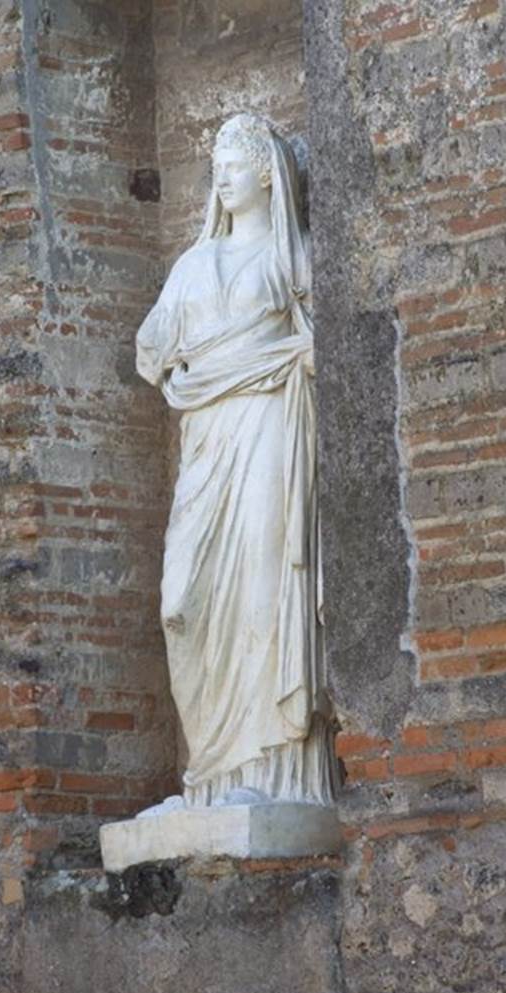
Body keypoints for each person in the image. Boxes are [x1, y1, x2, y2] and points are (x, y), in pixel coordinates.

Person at [135, 113, 337, 808]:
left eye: (236, 160)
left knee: (259, 582)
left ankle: (271, 772)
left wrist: (301, 356)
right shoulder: (190, 265)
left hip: (270, 427)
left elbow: (328, 341)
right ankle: (210, 776)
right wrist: (177, 370)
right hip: (207, 438)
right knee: (182, 600)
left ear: (266, 174)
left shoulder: (294, 257)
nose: (220, 173)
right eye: (216, 161)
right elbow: (151, 350)